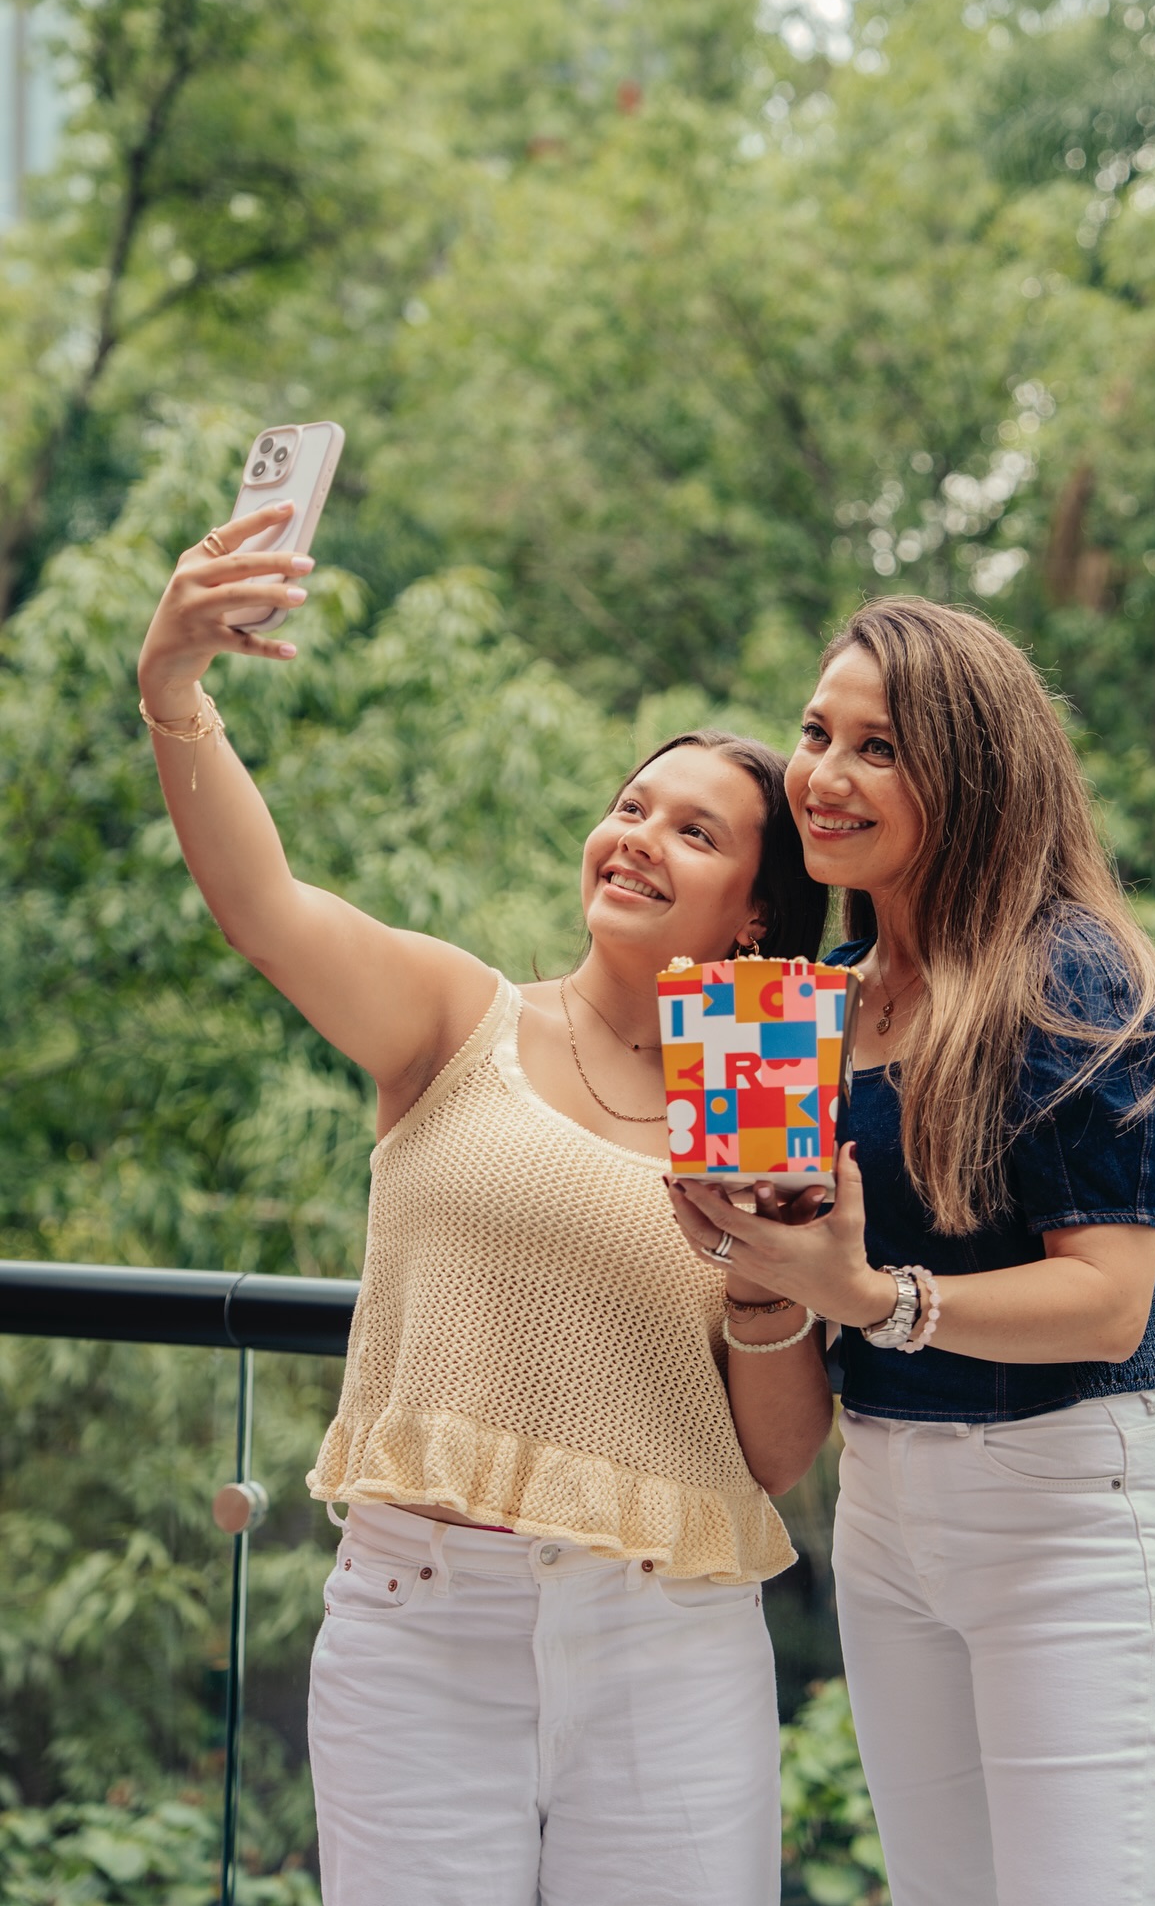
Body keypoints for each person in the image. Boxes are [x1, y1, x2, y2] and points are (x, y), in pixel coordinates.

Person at [136, 500, 832, 1906]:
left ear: (754, 914)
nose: (636, 838)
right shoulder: (458, 1019)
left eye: (695, 832)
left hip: (668, 1634)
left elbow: (774, 1460)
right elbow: (264, 907)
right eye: (632, 806)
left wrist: (767, 1271)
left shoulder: (774, 1102)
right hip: (419, 1618)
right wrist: (175, 690)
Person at [666, 596, 1155, 1906]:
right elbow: (790, 1275)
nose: (823, 774)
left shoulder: (1071, 979)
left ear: (970, 775)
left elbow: (1104, 1301)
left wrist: (871, 1295)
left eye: (880, 747)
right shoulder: (812, 999)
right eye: (816, 731)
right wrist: (747, 1246)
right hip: (889, 1509)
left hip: (1069, 1513)